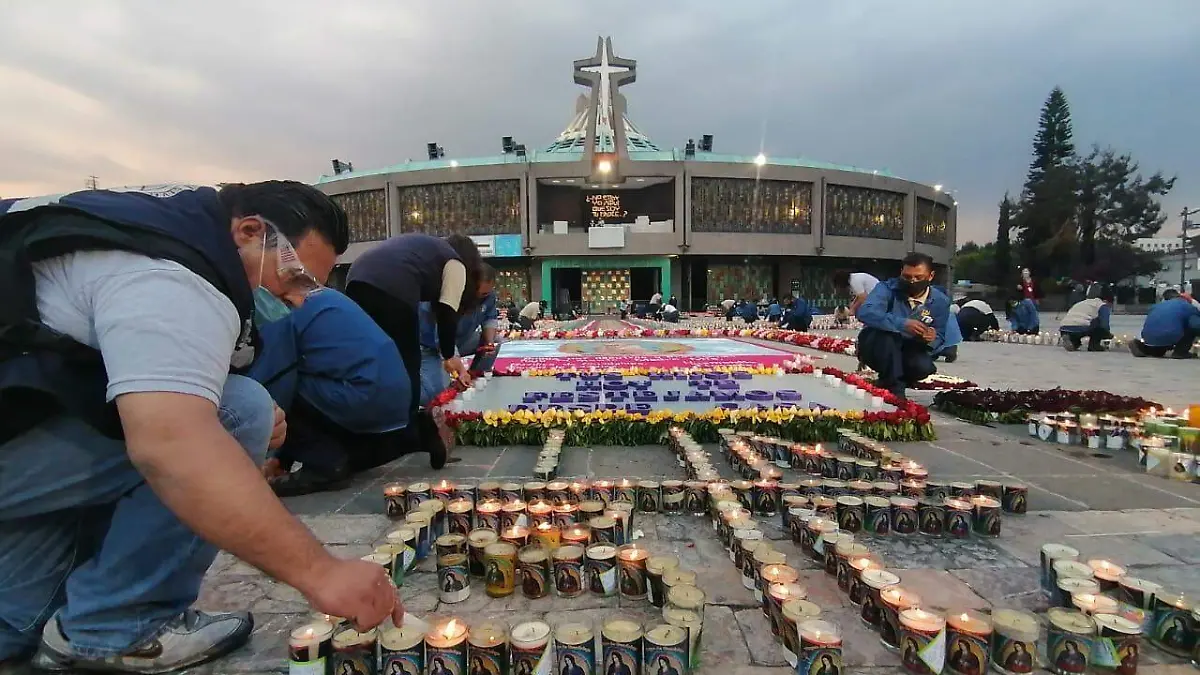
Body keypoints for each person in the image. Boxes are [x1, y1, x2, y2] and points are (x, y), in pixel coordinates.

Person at [0, 183, 403, 672]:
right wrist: (321, 572)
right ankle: (118, 628)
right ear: (250, 231)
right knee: (234, 413)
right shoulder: (172, 278)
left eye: (309, 288)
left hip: (20, 430)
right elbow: (171, 445)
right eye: (291, 275)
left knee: (13, 628)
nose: (294, 300)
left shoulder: (149, 229)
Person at [250, 288, 417, 496]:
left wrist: (267, 454)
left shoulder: (273, 311)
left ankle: (324, 466)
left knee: (272, 389)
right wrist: (282, 459)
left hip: (364, 393)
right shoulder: (319, 295)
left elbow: (273, 384)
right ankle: (419, 433)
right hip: (395, 394)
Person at [346, 232, 484, 471]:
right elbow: (447, 313)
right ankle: (410, 429)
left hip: (357, 279)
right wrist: (450, 354)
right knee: (407, 362)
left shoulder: (428, 252)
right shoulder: (455, 264)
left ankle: (371, 426)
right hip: (390, 288)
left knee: (376, 358)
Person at [855, 252, 952, 399]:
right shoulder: (886, 289)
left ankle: (891, 380)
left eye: (919, 277)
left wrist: (931, 337)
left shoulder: (940, 301)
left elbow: (940, 335)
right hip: (877, 344)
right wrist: (902, 324)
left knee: (924, 366)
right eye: (907, 277)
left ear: (930, 276)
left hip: (910, 346)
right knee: (888, 337)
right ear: (901, 273)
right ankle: (895, 388)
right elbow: (866, 312)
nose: (912, 281)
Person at [418, 269, 501, 406]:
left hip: (461, 340)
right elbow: (443, 338)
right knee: (435, 394)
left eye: (484, 294)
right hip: (431, 345)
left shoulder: (489, 296)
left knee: (495, 340)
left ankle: (474, 375)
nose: (479, 298)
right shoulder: (448, 297)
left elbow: (490, 319)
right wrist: (461, 370)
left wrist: (489, 343)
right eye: (476, 293)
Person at [1130, 289, 1200, 359]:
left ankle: (1143, 348)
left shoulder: (1156, 306)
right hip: (1170, 335)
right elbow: (1196, 325)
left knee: (1160, 344)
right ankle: (1180, 352)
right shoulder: (1188, 306)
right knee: (1190, 327)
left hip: (1148, 337)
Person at [1008, 268, 1041, 335]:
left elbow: (1034, 317)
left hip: (1031, 299)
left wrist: (1030, 328)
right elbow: (1013, 318)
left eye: (1027, 272)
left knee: (1032, 313)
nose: (1025, 273)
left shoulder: (1033, 281)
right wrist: (1014, 328)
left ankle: (1031, 327)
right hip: (1024, 297)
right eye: (1024, 272)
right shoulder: (1020, 281)